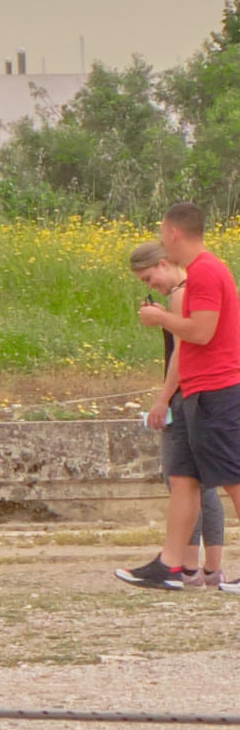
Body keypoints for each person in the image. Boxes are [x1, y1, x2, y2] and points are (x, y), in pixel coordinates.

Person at [130, 203, 240, 592]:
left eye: (162, 234)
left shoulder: (207, 272)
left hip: (217, 389)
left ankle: (190, 566)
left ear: (174, 233)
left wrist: (160, 318)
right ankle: (171, 565)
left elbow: (202, 332)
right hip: (201, 391)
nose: (162, 242)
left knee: (233, 478)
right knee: (187, 480)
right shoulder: (202, 272)